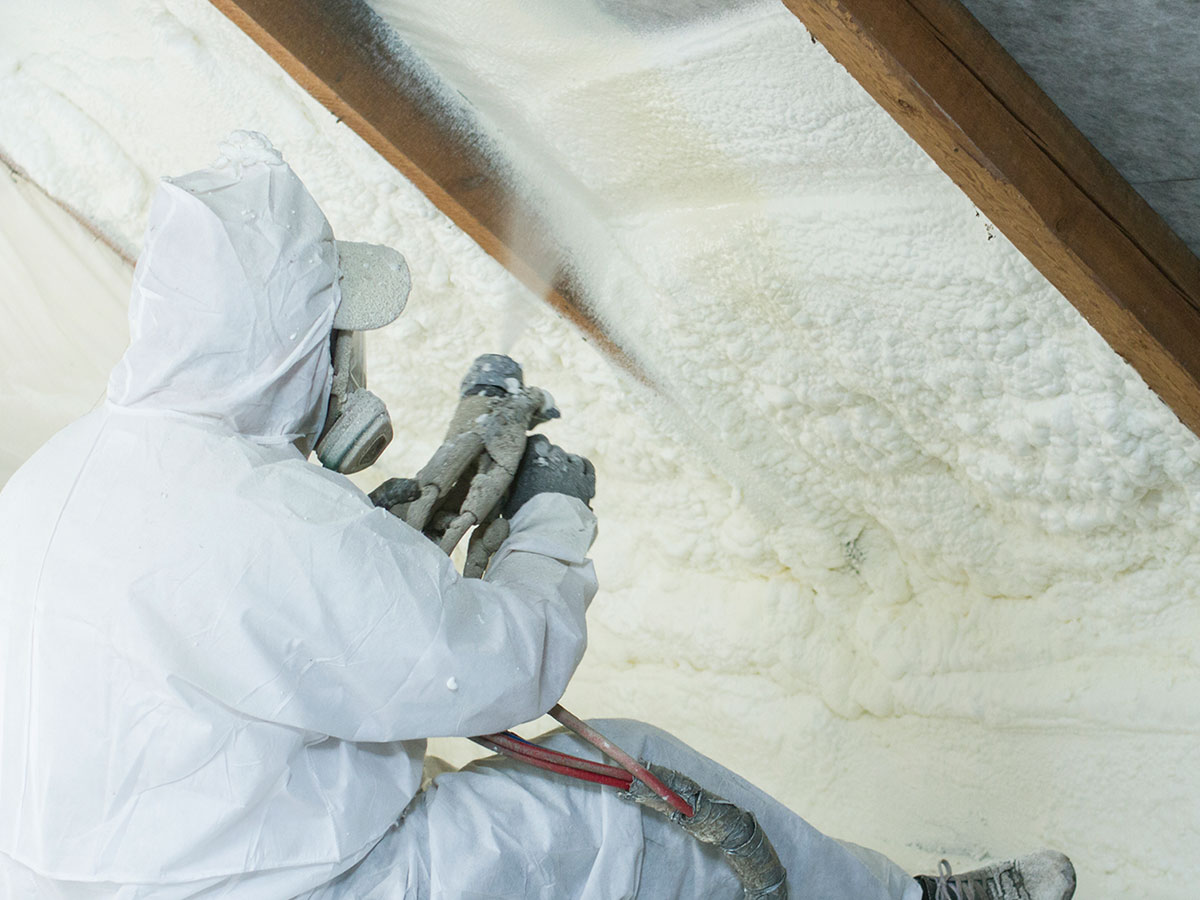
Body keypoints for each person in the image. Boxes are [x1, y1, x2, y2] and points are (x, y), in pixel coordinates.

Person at [0, 133, 1076, 900]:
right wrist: (551, 520)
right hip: (290, 883)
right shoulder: (261, 515)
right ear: (293, 346)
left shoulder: (70, 471)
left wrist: (374, 524)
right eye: (337, 333)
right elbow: (501, 673)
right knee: (633, 796)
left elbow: (257, 633)